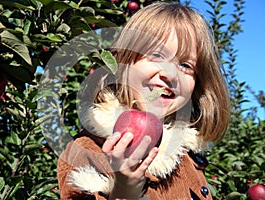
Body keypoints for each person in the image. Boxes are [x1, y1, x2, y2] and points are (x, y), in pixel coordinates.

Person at [57, 2, 230, 199]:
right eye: (157, 55)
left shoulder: (187, 155)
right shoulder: (85, 151)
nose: (171, 75)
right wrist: (124, 189)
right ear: (124, 62)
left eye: (185, 65)